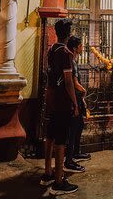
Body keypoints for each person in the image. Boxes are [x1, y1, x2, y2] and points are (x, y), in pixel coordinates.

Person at [41, 18, 80, 195]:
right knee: (61, 139)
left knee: (50, 135)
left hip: (50, 97)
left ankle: (48, 171)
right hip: (62, 101)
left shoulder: (51, 48)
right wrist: (75, 102)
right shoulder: (65, 53)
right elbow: (68, 82)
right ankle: (58, 181)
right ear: (69, 33)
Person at [64, 35, 91, 171]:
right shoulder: (71, 62)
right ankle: (69, 160)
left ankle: (76, 152)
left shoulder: (73, 60)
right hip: (74, 99)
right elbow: (73, 82)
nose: (82, 47)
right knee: (73, 129)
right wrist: (83, 90)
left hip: (77, 99)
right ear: (75, 48)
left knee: (79, 125)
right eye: (81, 45)